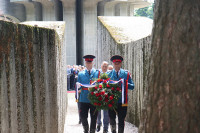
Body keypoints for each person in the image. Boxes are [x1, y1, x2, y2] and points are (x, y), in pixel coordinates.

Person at [107, 55, 134, 133]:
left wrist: (125, 84)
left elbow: (132, 86)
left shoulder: (126, 74)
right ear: (113, 64)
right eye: (115, 63)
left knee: (121, 120)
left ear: (121, 63)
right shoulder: (109, 74)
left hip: (123, 101)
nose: (117, 65)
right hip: (111, 100)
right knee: (112, 118)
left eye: (118, 63)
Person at [77, 55, 100, 133]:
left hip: (94, 99)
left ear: (93, 63)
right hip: (83, 98)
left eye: (90, 62)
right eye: (87, 62)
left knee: (94, 117)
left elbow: (100, 84)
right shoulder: (80, 74)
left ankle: (92, 131)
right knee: (83, 117)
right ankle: (86, 129)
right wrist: (78, 89)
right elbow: (78, 86)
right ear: (85, 63)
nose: (89, 64)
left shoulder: (97, 73)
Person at [96, 61, 110, 133]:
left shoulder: (109, 74)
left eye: (106, 66)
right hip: (99, 95)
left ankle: (105, 128)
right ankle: (98, 124)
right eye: (103, 66)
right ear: (101, 66)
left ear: (107, 67)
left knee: (106, 112)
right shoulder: (98, 73)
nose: (104, 67)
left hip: (107, 96)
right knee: (98, 111)